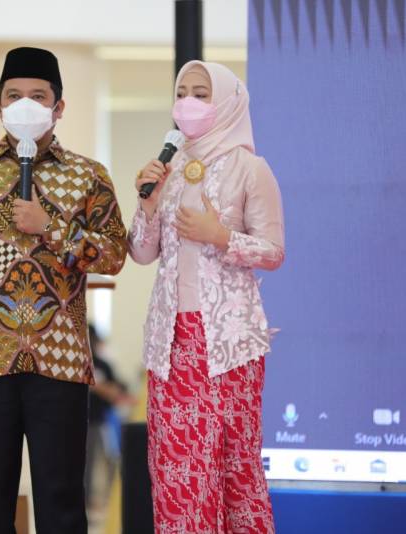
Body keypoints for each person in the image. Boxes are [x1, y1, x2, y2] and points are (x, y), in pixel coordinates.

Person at [0, 46, 127, 533]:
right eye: (13, 96)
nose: (25, 105)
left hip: (60, 360)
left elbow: (115, 253)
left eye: (38, 95)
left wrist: (51, 228)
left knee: (61, 500)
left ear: (59, 107)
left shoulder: (88, 175)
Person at [128, 60, 284, 533]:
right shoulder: (169, 169)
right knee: (177, 468)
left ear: (228, 102)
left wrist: (221, 236)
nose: (188, 102)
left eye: (201, 93)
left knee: (232, 465)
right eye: (182, 92)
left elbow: (274, 251)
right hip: (171, 343)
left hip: (228, 343)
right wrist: (147, 205)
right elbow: (141, 252)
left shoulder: (250, 168)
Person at [85, 324, 133, 511]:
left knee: (110, 460)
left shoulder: (103, 365)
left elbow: (117, 390)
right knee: (86, 464)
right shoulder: (75, 364)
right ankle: (86, 500)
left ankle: (110, 500)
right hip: (82, 421)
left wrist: (101, 388)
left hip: (103, 421)